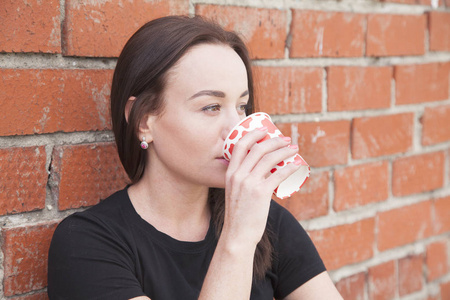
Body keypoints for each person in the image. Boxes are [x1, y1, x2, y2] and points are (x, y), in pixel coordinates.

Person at [47, 15, 343, 300]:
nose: (235, 129)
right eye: (211, 107)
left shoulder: (264, 220)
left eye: (242, 106)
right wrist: (237, 241)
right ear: (144, 121)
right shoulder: (87, 243)